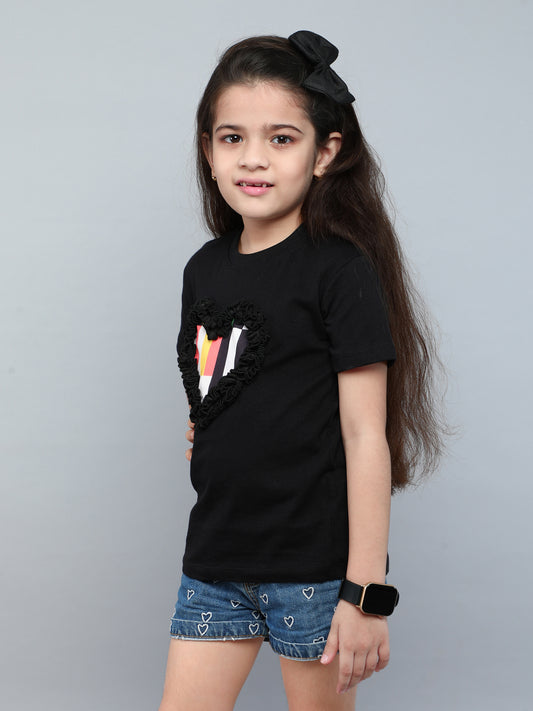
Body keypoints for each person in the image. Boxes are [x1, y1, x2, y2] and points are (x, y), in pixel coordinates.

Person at [158, 30, 449, 711]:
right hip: (216, 560)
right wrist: (214, 427)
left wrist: (364, 593)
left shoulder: (338, 271)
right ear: (207, 149)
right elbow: (215, 384)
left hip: (313, 573)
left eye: (281, 138)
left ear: (324, 153)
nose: (253, 158)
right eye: (232, 137)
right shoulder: (203, 268)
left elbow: (365, 437)